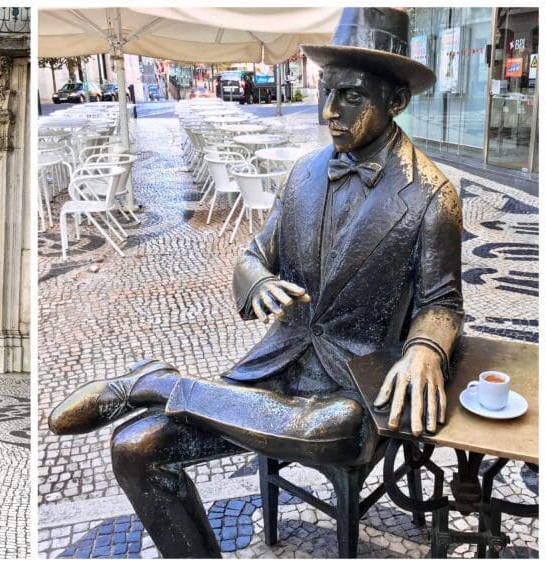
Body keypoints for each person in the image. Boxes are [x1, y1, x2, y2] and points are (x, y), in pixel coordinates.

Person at [49, 8, 462, 558]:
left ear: (396, 101)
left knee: (335, 428)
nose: (330, 112)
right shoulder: (305, 172)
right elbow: (252, 255)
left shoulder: (433, 195)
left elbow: (443, 301)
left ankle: (159, 383)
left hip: (356, 383)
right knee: (136, 445)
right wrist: (257, 281)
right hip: (278, 365)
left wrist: (426, 348)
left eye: (351, 96)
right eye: (326, 92)